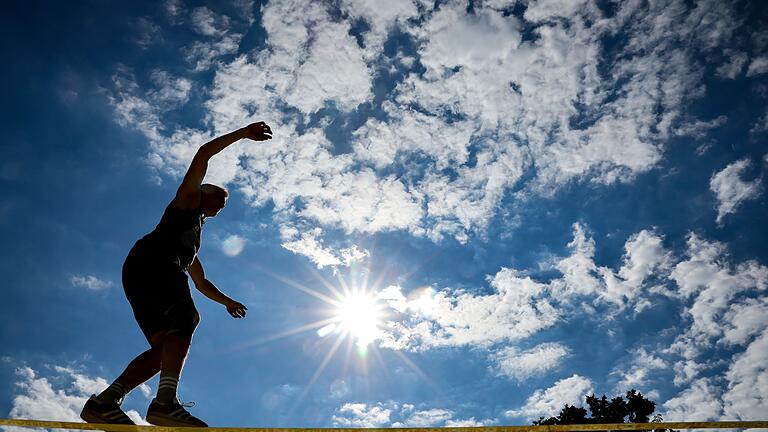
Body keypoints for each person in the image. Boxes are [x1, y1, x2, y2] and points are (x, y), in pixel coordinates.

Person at [79, 122, 273, 427]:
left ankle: (103, 403)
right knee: (186, 318)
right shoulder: (186, 200)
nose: (220, 208)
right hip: (153, 263)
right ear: (202, 193)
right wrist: (242, 134)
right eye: (218, 200)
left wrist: (227, 301)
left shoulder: (189, 243)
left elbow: (201, 281)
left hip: (143, 275)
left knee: (164, 351)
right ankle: (164, 404)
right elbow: (203, 154)